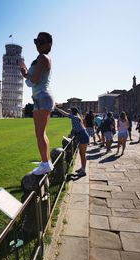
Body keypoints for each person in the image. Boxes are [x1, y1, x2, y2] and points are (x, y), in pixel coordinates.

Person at [20, 32, 54, 175]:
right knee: (41, 133)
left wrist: (26, 74)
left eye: (41, 41)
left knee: (39, 134)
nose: (38, 44)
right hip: (41, 97)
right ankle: (45, 162)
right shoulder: (43, 58)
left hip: (41, 97)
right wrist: (27, 75)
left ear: (48, 44)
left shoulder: (42, 57)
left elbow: (33, 80)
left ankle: (45, 164)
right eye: (36, 41)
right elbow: (33, 79)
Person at [55, 106, 89, 177]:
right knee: (81, 153)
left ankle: (83, 171)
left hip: (83, 136)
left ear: (72, 112)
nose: (69, 112)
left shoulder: (74, 117)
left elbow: (65, 114)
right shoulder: (77, 117)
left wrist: (57, 109)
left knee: (82, 154)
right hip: (82, 136)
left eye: (70, 111)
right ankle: (82, 168)